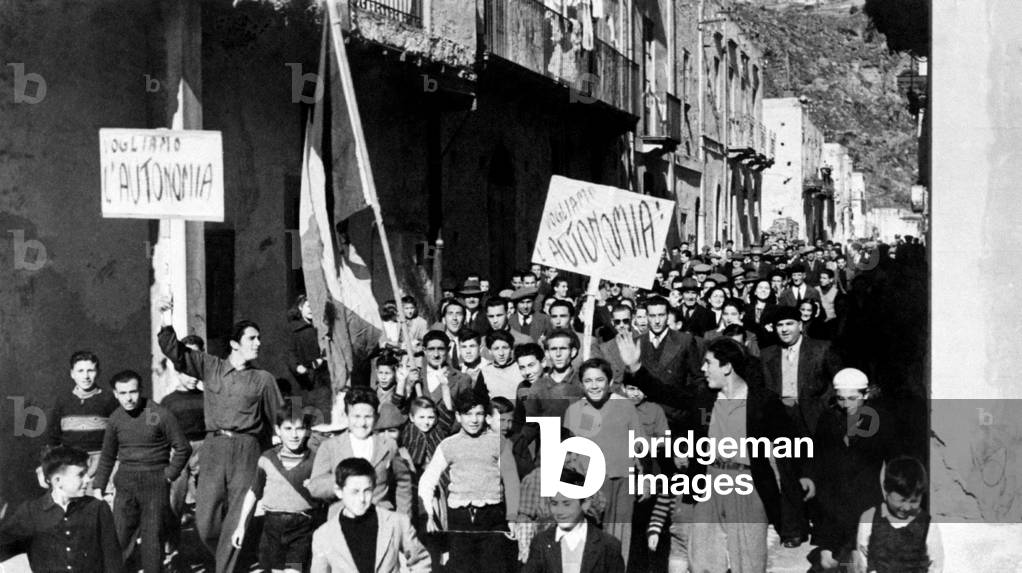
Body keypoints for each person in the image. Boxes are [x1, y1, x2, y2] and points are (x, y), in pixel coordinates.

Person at [620, 336, 810, 573]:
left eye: (708, 363)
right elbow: (666, 393)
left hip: (748, 486)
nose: (703, 368)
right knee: (703, 561)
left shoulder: (763, 401)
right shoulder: (704, 397)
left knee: (748, 562)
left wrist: (804, 476)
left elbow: (794, 443)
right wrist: (635, 367)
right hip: (708, 483)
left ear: (727, 367)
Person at [158, 296, 284, 573]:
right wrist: (167, 318)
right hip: (214, 448)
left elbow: (282, 416)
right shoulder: (211, 367)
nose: (258, 343)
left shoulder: (264, 379)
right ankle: (235, 559)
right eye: (252, 338)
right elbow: (175, 351)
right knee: (205, 522)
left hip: (248, 449)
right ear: (234, 344)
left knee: (238, 517)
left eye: (259, 338)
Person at [92, 370, 191, 573]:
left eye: (133, 392)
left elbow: (183, 448)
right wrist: (98, 486)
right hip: (126, 483)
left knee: (152, 540)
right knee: (119, 538)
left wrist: (168, 475)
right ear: (115, 394)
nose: (128, 398)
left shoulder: (159, 414)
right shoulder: (115, 419)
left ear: (141, 390)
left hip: (155, 483)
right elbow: (108, 455)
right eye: (123, 393)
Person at [760, 305, 842, 547]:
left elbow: (837, 382)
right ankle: (794, 529)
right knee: (788, 475)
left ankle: (823, 528)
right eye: (779, 325)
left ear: (800, 325)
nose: (784, 329)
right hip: (782, 419)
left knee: (818, 472)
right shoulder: (768, 354)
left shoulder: (821, 348)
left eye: (789, 324)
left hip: (813, 419)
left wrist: (824, 409)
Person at [806, 369, 902, 572]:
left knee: (860, 565)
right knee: (831, 564)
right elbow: (818, 461)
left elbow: (895, 462)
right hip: (833, 506)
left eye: (852, 398)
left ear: (865, 395)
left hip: (866, 503)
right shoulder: (828, 419)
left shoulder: (881, 421)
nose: (846, 404)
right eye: (840, 399)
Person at [419, 394, 521, 573]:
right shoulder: (448, 445)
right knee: (462, 568)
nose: (474, 420)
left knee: (494, 567)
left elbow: (511, 481)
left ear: (486, 416)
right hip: (460, 519)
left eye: (479, 414)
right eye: (467, 414)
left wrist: (512, 517)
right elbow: (428, 480)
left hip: (492, 517)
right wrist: (428, 513)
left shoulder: (499, 442)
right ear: (458, 416)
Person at [562, 358, 644, 566]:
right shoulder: (575, 410)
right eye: (588, 381)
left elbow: (639, 447)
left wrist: (643, 478)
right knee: (590, 538)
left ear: (610, 382)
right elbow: (570, 455)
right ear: (581, 384)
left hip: (622, 482)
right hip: (589, 485)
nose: (594, 386)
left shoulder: (625, 406)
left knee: (619, 537)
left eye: (599, 380)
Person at [0, 446, 121, 572]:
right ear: (58, 481)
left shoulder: (97, 508)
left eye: (86, 473)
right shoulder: (31, 512)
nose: (87, 479)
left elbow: (113, 561)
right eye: (80, 474)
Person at [231, 403, 320, 573]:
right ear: (278, 430)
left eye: (300, 429)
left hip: (302, 530)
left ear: (307, 431)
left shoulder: (314, 460)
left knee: (294, 570)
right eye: (288, 429)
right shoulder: (267, 458)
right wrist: (241, 526)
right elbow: (253, 492)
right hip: (272, 529)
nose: (294, 435)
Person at [310, 457, 430, 572]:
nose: (362, 499)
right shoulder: (323, 535)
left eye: (367, 491)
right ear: (339, 491)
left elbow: (421, 562)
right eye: (355, 492)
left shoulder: (396, 522)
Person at [308, 387, 412, 513]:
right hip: (342, 517)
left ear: (377, 417)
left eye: (368, 417)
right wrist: (344, 479)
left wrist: (403, 517)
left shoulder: (388, 446)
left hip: (379, 517)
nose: (362, 423)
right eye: (356, 416)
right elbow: (315, 487)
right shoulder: (330, 446)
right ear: (346, 416)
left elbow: (403, 482)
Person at [523, 468, 625, 573]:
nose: (559, 511)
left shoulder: (608, 545)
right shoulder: (541, 542)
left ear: (585, 504)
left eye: (567, 504)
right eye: (554, 504)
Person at [45, 350, 119, 491]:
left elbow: (118, 436)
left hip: (101, 466)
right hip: (69, 466)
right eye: (80, 371)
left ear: (98, 372)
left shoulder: (109, 400)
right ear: (72, 374)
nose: (85, 376)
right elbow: (52, 438)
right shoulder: (62, 401)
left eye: (90, 370)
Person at [855, 456, 943, 573]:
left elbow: (936, 566)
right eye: (901, 500)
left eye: (914, 501)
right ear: (886, 490)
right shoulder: (869, 518)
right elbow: (862, 563)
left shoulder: (927, 524)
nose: (907, 507)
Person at [287, 294, 328, 392]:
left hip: (322, 379)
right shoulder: (294, 329)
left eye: (314, 307)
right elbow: (290, 352)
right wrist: (297, 367)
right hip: (306, 380)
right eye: (309, 306)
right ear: (300, 307)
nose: (311, 310)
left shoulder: (319, 327)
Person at [479, 330, 521, 402]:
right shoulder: (485, 372)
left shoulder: (521, 367)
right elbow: (480, 400)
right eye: (496, 349)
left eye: (505, 348)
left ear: (511, 349)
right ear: (490, 351)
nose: (501, 353)